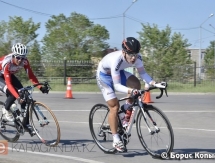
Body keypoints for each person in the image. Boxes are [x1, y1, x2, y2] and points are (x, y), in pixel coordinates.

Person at [96, 37, 166, 152]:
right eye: (130, 54)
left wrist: (155, 83)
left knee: (136, 84)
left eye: (135, 54)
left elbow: (143, 73)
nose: (133, 57)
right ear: (124, 52)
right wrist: (131, 91)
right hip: (104, 76)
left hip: (119, 72)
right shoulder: (116, 60)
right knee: (114, 106)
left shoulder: (138, 58)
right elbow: (117, 86)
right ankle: (116, 139)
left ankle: (125, 113)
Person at [0, 43, 49, 136]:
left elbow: (31, 76)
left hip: (9, 74)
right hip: (1, 76)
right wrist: (18, 97)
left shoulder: (24, 61)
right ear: (13, 55)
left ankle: (25, 123)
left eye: (22, 58)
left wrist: (40, 87)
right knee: (12, 94)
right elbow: (9, 84)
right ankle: (6, 110)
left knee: (24, 94)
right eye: (18, 57)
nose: (20, 60)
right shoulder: (7, 62)